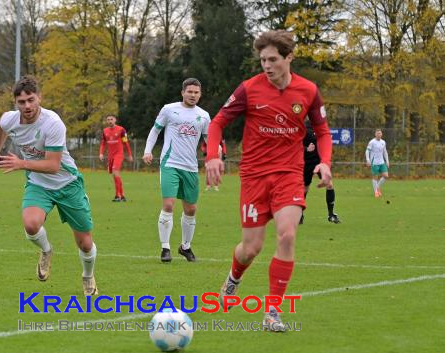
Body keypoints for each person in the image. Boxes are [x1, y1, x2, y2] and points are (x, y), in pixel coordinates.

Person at [205, 31, 332, 332]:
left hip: (289, 174)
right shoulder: (249, 89)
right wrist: (212, 155)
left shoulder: (309, 91)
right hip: (253, 177)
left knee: (287, 235)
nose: (266, 65)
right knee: (251, 248)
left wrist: (325, 162)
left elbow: (323, 131)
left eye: (273, 59)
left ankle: (272, 311)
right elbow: (217, 122)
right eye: (263, 60)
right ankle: (233, 279)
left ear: (289, 58)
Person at [0, 76, 98, 296]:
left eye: (30, 100)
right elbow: (1, 128)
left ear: (39, 98)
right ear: (15, 103)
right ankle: (46, 251)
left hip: (68, 184)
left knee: (84, 244)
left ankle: (87, 275)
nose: (27, 106)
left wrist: (21, 163)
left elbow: (54, 166)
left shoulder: (53, 123)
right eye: (21, 102)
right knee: (31, 225)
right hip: (38, 183)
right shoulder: (10, 119)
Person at [142, 78, 211, 263]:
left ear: (200, 94)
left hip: (190, 167)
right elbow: (155, 130)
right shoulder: (169, 109)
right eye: (190, 91)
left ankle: (185, 247)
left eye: (196, 92)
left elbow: (209, 140)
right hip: (170, 163)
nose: (193, 95)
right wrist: (148, 150)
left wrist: (215, 152)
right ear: (182, 92)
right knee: (169, 205)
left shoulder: (204, 116)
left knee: (191, 209)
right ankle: (165, 248)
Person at [300, 124, 340, 224]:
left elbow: (326, 144)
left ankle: (331, 215)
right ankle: (299, 215)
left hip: (320, 162)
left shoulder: (322, 128)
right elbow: (293, 144)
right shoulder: (304, 128)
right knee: (305, 188)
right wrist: (306, 148)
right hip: (307, 162)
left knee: (329, 184)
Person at [99, 114, 133, 202]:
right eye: (108, 119)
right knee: (115, 175)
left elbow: (126, 143)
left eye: (111, 119)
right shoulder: (105, 131)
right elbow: (103, 143)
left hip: (119, 155)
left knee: (115, 172)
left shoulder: (121, 130)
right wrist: (101, 153)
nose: (110, 121)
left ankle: (118, 196)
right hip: (110, 156)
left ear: (115, 120)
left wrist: (129, 154)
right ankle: (122, 196)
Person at [366, 129, 389, 198]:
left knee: (386, 176)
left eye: (380, 133)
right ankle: (376, 192)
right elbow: (367, 151)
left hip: (382, 162)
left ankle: (377, 188)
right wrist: (368, 160)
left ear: (381, 134)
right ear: (375, 134)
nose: (379, 134)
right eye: (378, 133)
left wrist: (387, 161)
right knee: (375, 177)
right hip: (374, 162)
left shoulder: (383, 142)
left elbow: (385, 152)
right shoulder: (372, 142)